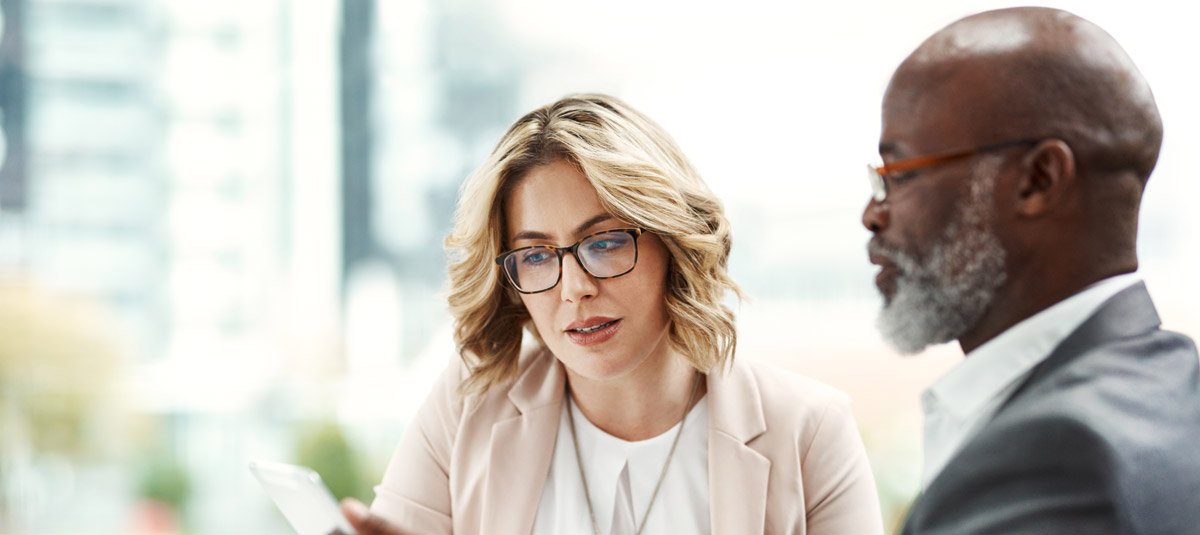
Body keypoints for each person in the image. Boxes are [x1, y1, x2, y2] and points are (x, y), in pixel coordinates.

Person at [340, 93, 884, 534]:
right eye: (535, 256)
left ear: (673, 242)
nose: (574, 289)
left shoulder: (810, 432)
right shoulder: (469, 405)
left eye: (602, 244)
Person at [862, 7, 1200, 534]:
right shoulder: (1176, 388)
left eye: (898, 174)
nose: (872, 214)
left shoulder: (1058, 458)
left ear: (1038, 180)